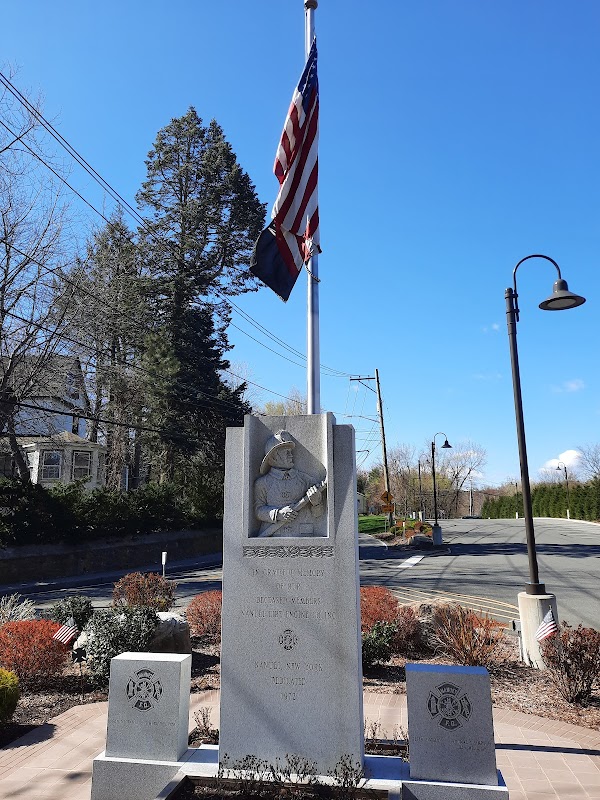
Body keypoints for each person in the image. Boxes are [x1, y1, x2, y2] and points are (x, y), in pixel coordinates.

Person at [253, 430, 325, 537]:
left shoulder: (305, 480)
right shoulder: (262, 483)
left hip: (303, 537)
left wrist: (317, 503)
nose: (291, 456)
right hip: (273, 536)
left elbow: (318, 515)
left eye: (290, 452)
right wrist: (278, 514)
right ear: (273, 457)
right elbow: (258, 511)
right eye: (287, 452)